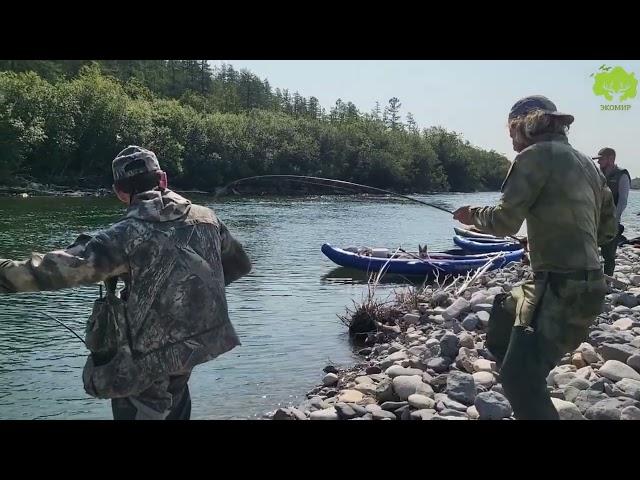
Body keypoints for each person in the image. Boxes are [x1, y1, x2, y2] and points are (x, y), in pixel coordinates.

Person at [0, 146, 252, 420]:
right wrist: (186, 295)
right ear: (163, 179)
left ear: (119, 191)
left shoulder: (122, 237)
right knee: (176, 399)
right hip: (196, 345)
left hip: (146, 359)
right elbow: (239, 265)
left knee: (145, 406)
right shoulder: (208, 219)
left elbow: (50, 271)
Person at [452, 95, 617, 420]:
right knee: (503, 313)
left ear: (524, 125)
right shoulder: (588, 164)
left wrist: (472, 215)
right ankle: (528, 373)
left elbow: (504, 221)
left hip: (561, 290)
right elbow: (608, 230)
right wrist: (550, 237)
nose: (511, 140)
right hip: (587, 286)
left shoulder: (532, 157)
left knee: (517, 379)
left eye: (511, 131)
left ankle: (527, 384)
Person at [593, 147, 630, 276]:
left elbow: (623, 201)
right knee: (590, 252)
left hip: (610, 221)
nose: (598, 162)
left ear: (611, 159)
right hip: (594, 219)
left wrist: (615, 219)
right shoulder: (597, 174)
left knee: (609, 255)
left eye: (601, 159)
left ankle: (608, 282)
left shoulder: (622, 175)